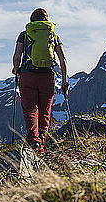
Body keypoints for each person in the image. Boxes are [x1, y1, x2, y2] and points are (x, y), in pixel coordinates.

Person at [12, 8, 68, 154]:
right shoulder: (53, 35)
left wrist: (15, 69)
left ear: (32, 20)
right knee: (45, 112)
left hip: (27, 76)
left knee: (30, 110)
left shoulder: (24, 35)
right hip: (48, 76)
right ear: (47, 20)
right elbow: (63, 60)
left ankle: (33, 141)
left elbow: (17, 56)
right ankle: (41, 144)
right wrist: (64, 81)